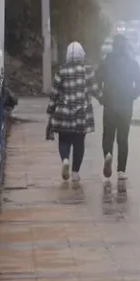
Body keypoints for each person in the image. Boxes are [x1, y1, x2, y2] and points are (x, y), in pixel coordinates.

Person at [95, 34, 140, 181]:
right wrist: (132, 96)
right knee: (123, 139)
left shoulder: (106, 62)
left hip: (109, 106)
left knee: (108, 136)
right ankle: (121, 170)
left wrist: (101, 98)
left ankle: (108, 155)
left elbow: (95, 81)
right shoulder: (132, 63)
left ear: (114, 46)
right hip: (126, 107)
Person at [47, 41, 96, 182]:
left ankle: (65, 160)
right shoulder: (88, 71)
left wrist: (50, 110)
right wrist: (103, 98)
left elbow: (54, 94)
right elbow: (95, 89)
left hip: (64, 114)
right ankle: (75, 172)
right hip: (82, 114)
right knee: (79, 143)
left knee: (64, 140)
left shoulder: (61, 71)